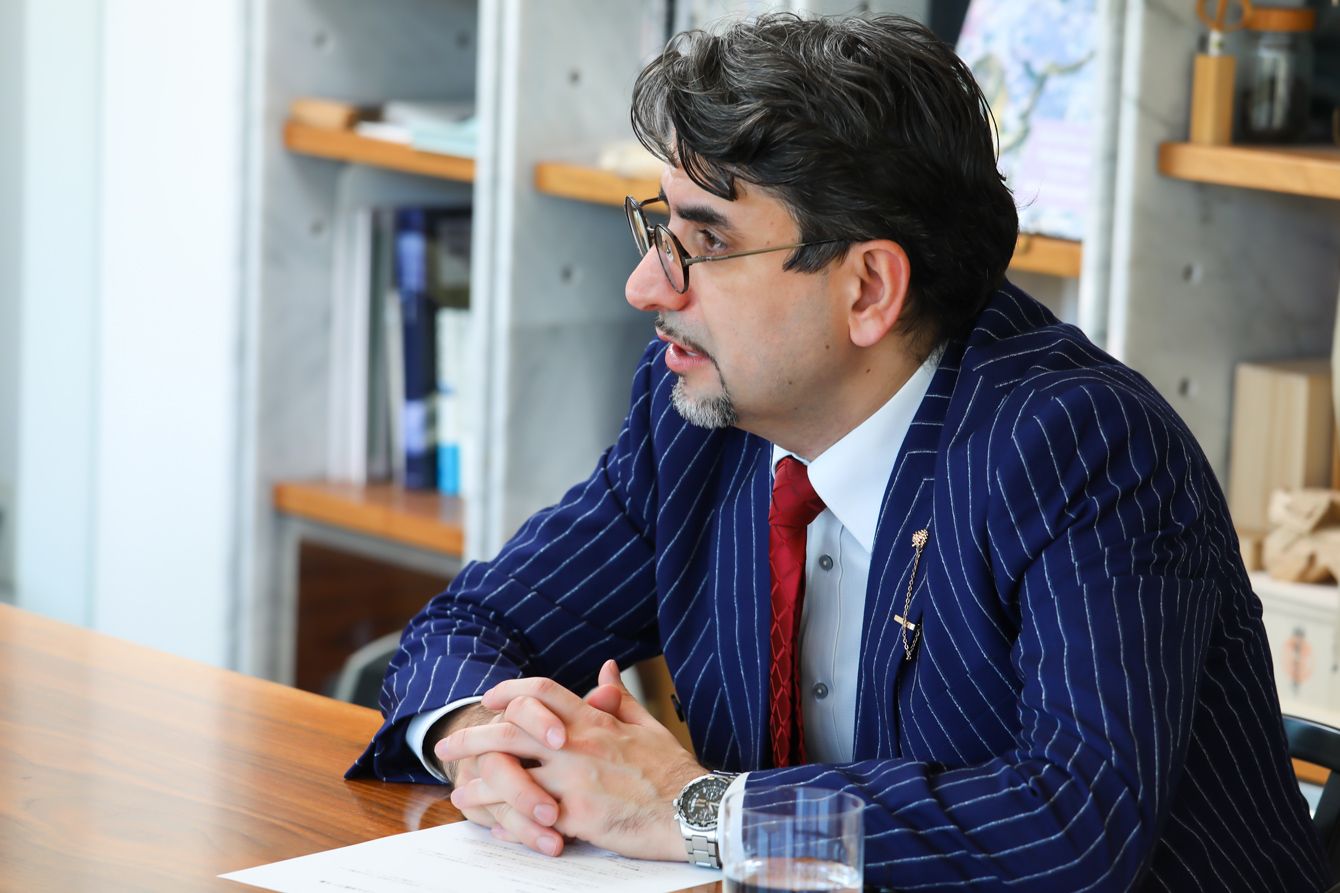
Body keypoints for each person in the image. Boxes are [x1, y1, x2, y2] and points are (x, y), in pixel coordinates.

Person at [349, 12, 1330, 891]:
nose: (647, 286)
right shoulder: (698, 416)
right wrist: (490, 738)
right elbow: (474, 621)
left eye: (704, 243)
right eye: (658, 227)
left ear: (868, 289)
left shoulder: (1075, 447)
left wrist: (696, 811)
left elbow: (1073, 826)